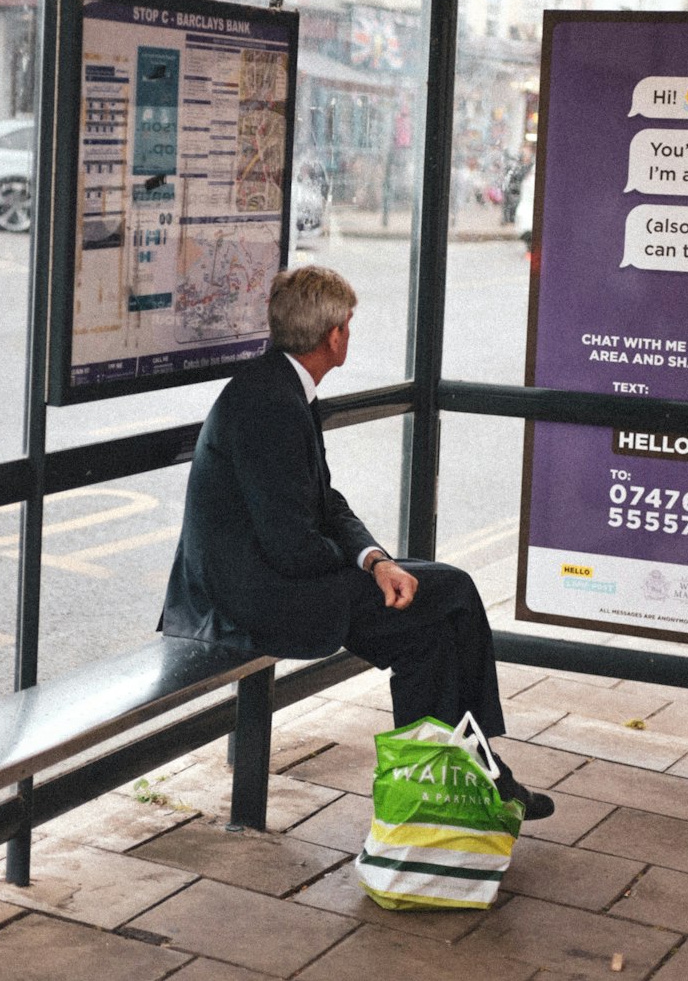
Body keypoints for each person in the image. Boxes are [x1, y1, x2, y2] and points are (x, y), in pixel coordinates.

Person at [161, 263, 553, 819]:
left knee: (428, 638)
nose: (350, 332)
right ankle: (481, 771)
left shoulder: (283, 386)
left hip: (274, 578)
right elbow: (292, 547)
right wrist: (369, 573)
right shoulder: (269, 403)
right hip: (249, 600)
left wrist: (376, 558)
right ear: (335, 335)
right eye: (349, 323)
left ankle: (447, 789)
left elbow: (326, 502)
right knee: (456, 590)